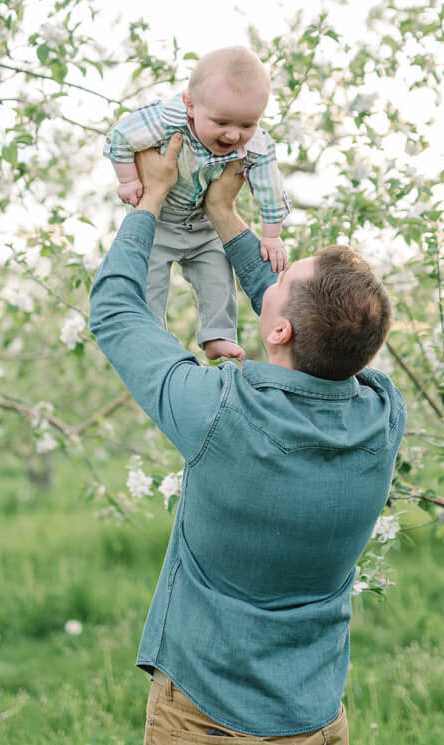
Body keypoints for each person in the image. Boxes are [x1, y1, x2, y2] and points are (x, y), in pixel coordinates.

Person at [89, 134, 406, 743]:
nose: (273, 274)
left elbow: (116, 311)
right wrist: (225, 216)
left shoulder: (221, 413)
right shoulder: (382, 413)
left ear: (280, 324)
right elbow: (316, 332)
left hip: (206, 719)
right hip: (316, 717)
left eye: (283, 277)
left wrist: (153, 195)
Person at [104, 45, 290, 361]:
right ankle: (153, 337)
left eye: (247, 125)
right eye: (221, 123)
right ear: (191, 105)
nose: (234, 135)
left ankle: (217, 334)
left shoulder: (256, 145)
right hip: (159, 221)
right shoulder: (163, 121)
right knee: (150, 279)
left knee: (218, 275)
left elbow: (271, 190)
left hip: (203, 226)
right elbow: (119, 137)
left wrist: (271, 235)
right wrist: (128, 181)